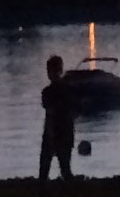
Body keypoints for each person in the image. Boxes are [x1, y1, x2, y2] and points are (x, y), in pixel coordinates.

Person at [37, 54, 78, 182]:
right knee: (65, 169)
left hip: (53, 131)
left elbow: (50, 113)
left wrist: (50, 133)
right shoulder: (69, 89)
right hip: (65, 130)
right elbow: (75, 110)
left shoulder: (47, 92)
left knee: (45, 170)